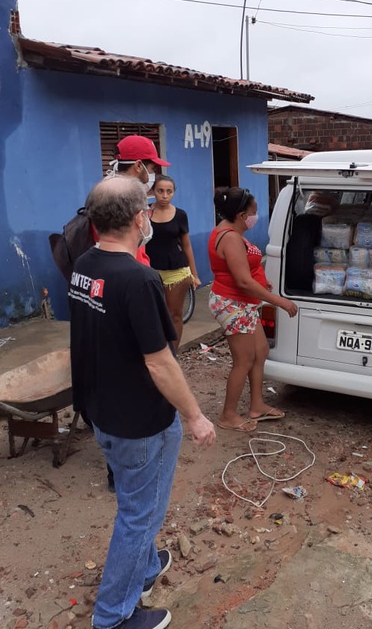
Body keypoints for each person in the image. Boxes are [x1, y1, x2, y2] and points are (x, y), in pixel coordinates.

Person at [68, 176, 215, 629]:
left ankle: (146, 567)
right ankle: (112, 618)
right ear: (139, 219)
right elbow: (160, 361)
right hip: (139, 421)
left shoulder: (85, 265)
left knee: (136, 502)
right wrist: (195, 416)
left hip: (103, 411)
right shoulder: (139, 278)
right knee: (140, 514)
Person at [208, 186, 298, 432]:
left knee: (260, 350)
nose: (255, 217)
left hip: (243, 303)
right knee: (244, 360)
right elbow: (243, 281)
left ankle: (256, 405)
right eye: (253, 212)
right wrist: (278, 301)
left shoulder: (232, 230)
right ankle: (228, 415)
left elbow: (245, 270)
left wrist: (261, 282)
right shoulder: (230, 238)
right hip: (233, 303)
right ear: (241, 215)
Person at [146, 175, 200, 352]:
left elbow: (186, 245)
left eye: (169, 192)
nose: (164, 196)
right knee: (153, 315)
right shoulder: (144, 213)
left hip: (176, 270)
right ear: (153, 191)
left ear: (174, 193)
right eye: (160, 191)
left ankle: (172, 354)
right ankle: (155, 352)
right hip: (149, 270)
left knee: (174, 315)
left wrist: (194, 274)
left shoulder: (180, 215)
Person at [108, 135, 171, 265]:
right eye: (152, 168)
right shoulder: (123, 200)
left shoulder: (108, 193)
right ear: (138, 166)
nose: (153, 174)